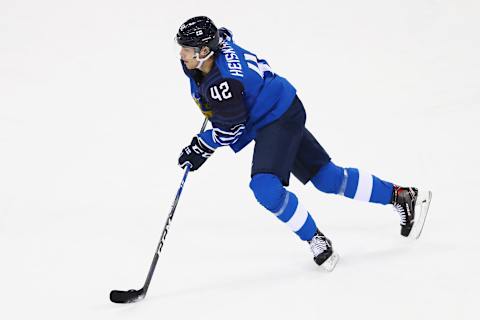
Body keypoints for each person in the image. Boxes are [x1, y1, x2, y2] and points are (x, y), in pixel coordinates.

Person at [175, 16, 432, 271]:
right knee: (328, 179)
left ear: (205, 51)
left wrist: (201, 145)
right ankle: (402, 196)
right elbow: (226, 34)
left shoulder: (224, 84)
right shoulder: (216, 49)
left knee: (265, 187)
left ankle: (314, 239)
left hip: (276, 118)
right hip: (281, 105)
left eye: (187, 48)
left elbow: (230, 131)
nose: (182, 53)